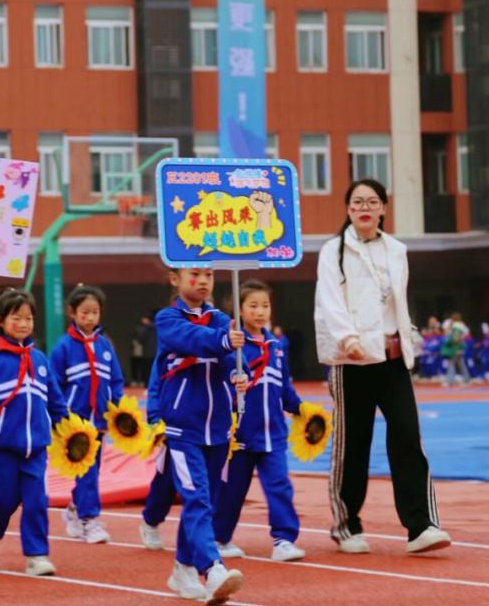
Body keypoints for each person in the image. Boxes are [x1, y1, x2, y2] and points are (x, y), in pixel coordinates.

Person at [314, 178, 451, 555]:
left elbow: (397, 302)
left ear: (384, 208)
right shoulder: (333, 251)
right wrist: (347, 339)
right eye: (357, 201)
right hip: (352, 360)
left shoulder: (396, 250)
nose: (365, 207)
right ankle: (346, 524)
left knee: (407, 435)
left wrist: (408, 339)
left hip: (392, 360)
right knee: (353, 445)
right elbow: (329, 300)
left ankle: (421, 525)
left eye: (372, 201)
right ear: (347, 208)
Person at [154, 267, 245, 603]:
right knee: (196, 499)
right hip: (183, 429)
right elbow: (190, 340)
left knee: (206, 501)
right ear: (175, 279)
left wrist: (240, 372)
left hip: (218, 428)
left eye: (208, 274)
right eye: (195, 274)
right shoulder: (168, 318)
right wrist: (223, 341)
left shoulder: (222, 319)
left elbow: (232, 360)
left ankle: (183, 568)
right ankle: (213, 567)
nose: (203, 280)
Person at [0, 288, 68, 577]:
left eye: (28, 318)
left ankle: (37, 555)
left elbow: (56, 401)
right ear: (0, 319)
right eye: (16, 318)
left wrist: (69, 429)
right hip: (1, 448)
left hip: (35, 448)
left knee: (37, 501)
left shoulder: (40, 360)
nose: (23, 324)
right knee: (5, 499)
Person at [214, 280, 306, 562]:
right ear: (239, 310)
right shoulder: (233, 346)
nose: (260, 311)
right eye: (253, 306)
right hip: (240, 436)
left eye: (265, 305)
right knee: (232, 490)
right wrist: (233, 385)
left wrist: (301, 409)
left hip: (274, 434)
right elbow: (219, 383)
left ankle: (283, 540)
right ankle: (220, 538)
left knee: (279, 485)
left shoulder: (277, 346)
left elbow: (284, 386)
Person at [49, 284, 125, 545]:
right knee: (88, 471)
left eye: (95, 312)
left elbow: (116, 380)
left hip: (100, 422)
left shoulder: (105, 346)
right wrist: (60, 418)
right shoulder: (64, 347)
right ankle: (88, 520)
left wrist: (118, 409)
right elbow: (54, 385)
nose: (90, 317)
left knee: (92, 470)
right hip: (75, 423)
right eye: (85, 312)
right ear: (72, 313)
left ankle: (74, 507)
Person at [139, 354, 175, 552]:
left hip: (208, 424)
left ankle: (210, 535)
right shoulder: (170, 346)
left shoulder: (215, 337)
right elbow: (156, 385)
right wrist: (155, 418)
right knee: (167, 479)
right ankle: (151, 520)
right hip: (174, 425)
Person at [442, 312, 471, 387]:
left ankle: (449, 381)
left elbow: (456, 338)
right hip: (460, 346)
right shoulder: (462, 325)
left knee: (451, 364)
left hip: (456, 347)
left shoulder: (457, 326)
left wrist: (457, 348)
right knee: (461, 364)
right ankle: (466, 380)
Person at [135, 314, 158, 387]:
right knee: (154, 371)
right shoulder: (157, 328)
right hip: (155, 353)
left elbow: (140, 340)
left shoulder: (144, 329)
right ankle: (154, 385)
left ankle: (146, 385)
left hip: (146, 353)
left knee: (146, 370)